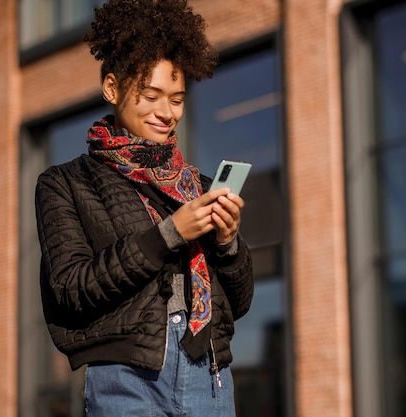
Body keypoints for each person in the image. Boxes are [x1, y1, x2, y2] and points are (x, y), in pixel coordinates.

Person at [34, 1, 254, 416]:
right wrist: (170, 234)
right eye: (150, 95)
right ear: (113, 88)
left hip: (209, 376)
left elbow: (239, 303)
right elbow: (69, 289)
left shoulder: (200, 187)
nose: (166, 113)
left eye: (177, 99)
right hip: (125, 377)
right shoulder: (64, 183)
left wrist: (227, 244)